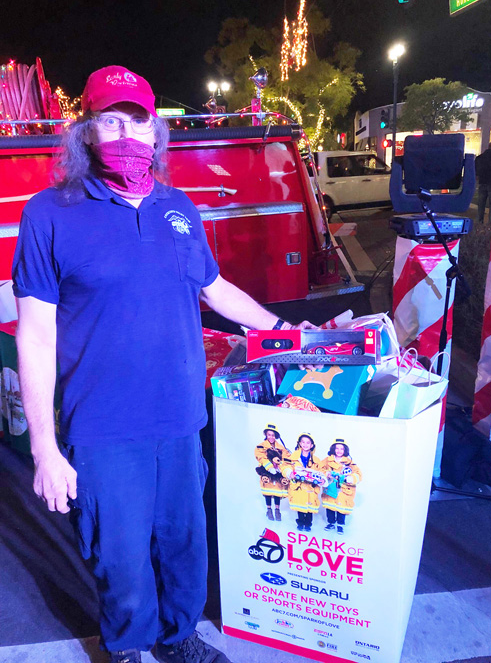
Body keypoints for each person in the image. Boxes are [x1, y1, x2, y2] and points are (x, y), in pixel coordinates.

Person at [12, 65, 315, 663]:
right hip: (103, 427)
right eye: (110, 121)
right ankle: (128, 646)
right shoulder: (49, 213)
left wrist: (285, 331)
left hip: (180, 417)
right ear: (86, 132)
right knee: (120, 556)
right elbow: (36, 335)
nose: (126, 134)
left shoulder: (179, 207)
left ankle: (179, 638)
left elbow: (215, 289)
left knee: (184, 544)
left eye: (138, 121)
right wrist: (44, 448)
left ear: (156, 132)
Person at [280, 432, 322, 531]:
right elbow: (285, 466)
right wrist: (289, 473)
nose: (305, 444)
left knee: (309, 509)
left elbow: (321, 471)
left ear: (312, 445)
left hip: (310, 489)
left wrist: (322, 478)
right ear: (299, 443)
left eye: (308, 442)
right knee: (300, 507)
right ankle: (300, 523)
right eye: (303, 442)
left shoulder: (316, 460)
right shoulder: (293, 457)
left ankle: (308, 525)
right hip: (298, 488)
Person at [321, 438, 362, 535]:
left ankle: (340, 525)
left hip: (343, 490)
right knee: (330, 507)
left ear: (345, 450)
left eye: (341, 449)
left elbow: (358, 474)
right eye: (337, 448)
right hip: (331, 488)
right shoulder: (327, 460)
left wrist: (350, 478)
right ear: (333, 449)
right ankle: (331, 523)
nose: (339, 451)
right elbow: (320, 469)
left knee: (341, 508)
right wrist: (326, 474)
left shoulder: (349, 462)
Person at [254, 423, 291, 521]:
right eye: (269, 435)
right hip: (266, 473)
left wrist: (281, 466)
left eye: (273, 435)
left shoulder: (281, 447)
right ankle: (269, 510)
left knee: (277, 491)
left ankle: (277, 511)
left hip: (278, 473)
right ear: (266, 435)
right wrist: (270, 467)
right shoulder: (261, 446)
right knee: (268, 491)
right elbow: (261, 457)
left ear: (276, 436)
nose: (271, 437)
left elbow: (286, 458)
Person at [475, 141, 491, 224]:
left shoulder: (480, 157)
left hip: (482, 181)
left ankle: (479, 220)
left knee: (481, 202)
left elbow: (476, 169)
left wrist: (478, 176)